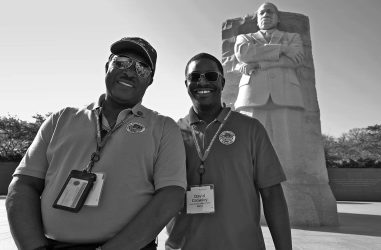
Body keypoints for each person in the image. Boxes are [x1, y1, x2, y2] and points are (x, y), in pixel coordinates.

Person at [6, 37, 187, 250]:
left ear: (150, 80)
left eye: (141, 68)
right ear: (106, 67)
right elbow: (23, 185)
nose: (129, 72)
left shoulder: (164, 127)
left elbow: (171, 196)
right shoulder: (61, 119)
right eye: (121, 62)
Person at [166, 53, 292, 250]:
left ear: (222, 82)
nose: (202, 81)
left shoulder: (251, 128)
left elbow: (272, 196)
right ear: (186, 83)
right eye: (194, 76)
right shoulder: (171, 132)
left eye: (210, 76)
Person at [234, 2, 306, 181]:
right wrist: (282, 49)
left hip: (286, 94)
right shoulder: (245, 38)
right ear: (257, 19)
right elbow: (244, 54)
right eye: (262, 12)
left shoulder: (292, 37)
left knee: (287, 143)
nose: (266, 14)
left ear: (278, 17)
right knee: (250, 143)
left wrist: (259, 64)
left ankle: (291, 181)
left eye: (270, 11)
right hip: (252, 95)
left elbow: (295, 61)